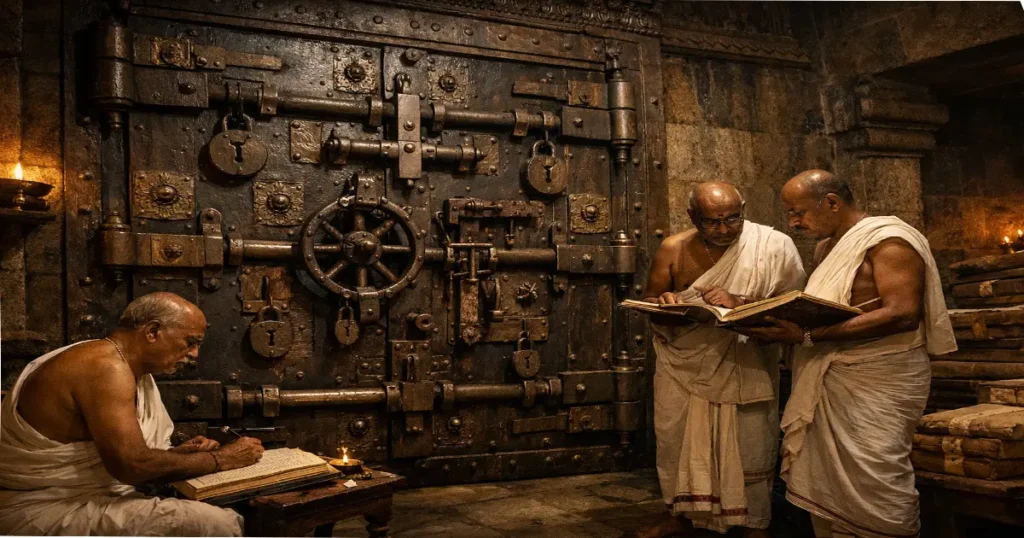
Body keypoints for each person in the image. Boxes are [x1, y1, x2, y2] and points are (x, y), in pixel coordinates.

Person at [741, 170, 956, 538]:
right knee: (830, 489)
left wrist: (807, 334)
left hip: (880, 377)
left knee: (879, 475)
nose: (793, 222)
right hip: (835, 378)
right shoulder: (827, 247)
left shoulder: (889, 241)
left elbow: (902, 313)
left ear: (831, 203)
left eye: (798, 212)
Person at [0, 292, 265, 535]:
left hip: (80, 496)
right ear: (152, 331)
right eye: (190, 341)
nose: (194, 354)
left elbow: (119, 456)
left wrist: (174, 456)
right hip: (41, 506)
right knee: (216, 525)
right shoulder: (105, 367)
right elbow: (132, 466)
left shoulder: (124, 366)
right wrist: (221, 459)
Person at [637, 182, 806, 538]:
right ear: (692, 217)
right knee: (678, 438)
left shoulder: (772, 246)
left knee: (750, 439)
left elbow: (795, 308)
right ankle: (681, 516)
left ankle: (753, 523)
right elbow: (650, 303)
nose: (726, 229)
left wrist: (739, 302)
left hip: (746, 359)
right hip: (683, 361)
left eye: (734, 218)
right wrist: (666, 301)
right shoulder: (673, 248)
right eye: (714, 222)